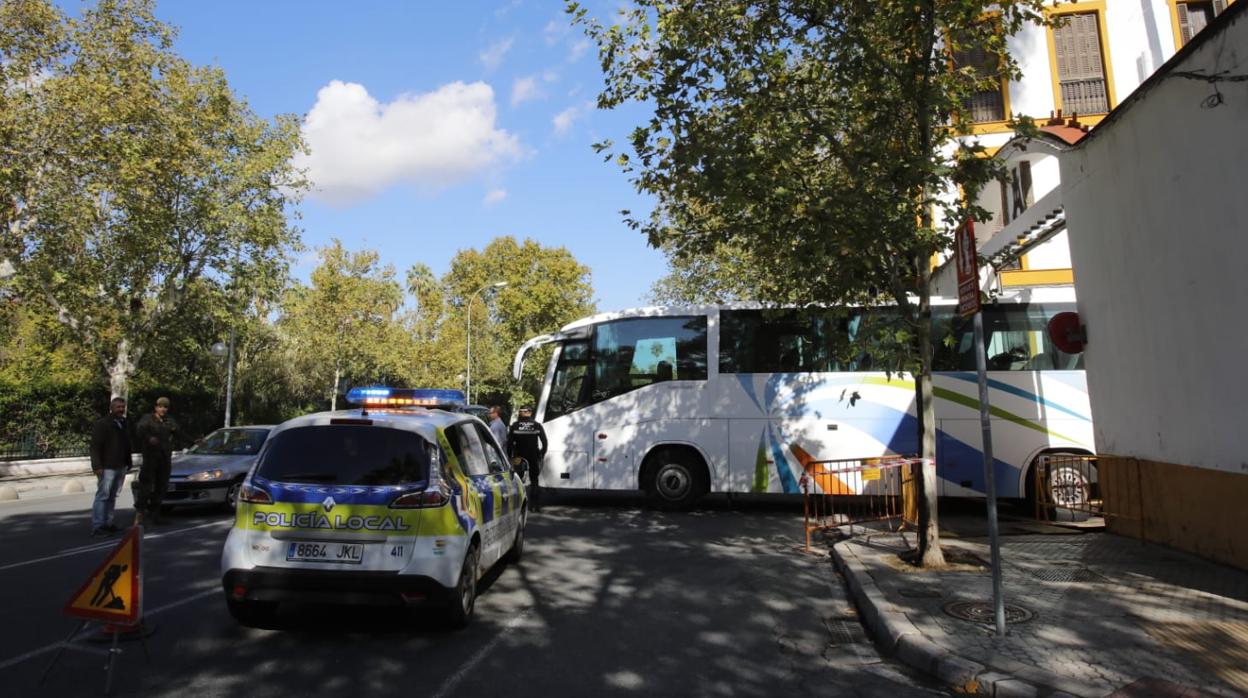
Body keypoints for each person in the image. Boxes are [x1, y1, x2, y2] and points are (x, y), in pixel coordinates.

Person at [89, 397, 133, 537]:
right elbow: (95, 447)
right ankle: (98, 526)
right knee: (103, 495)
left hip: (120, 465)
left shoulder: (123, 423)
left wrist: (128, 462)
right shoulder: (102, 424)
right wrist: (97, 466)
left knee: (113, 496)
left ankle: (108, 523)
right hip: (107, 467)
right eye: (118, 407)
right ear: (111, 408)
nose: (120, 409)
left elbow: (126, 445)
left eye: (122, 407)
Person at [134, 397, 179, 526]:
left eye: (165, 407)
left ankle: (155, 514)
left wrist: (194, 441)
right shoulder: (147, 419)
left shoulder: (169, 420)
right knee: (146, 486)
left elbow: (179, 432)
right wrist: (149, 438)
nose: (163, 409)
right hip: (151, 458)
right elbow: (139, 430)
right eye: (160, 406)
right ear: (155, 407)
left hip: (164, 458)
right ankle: (140, 515)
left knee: (162, 486)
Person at [507, 405, 547, 512]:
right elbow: (545, 441)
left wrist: (509, 456)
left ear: (521, 413)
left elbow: (509, 443)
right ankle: (535, 505)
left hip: (518, 456)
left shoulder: (515, 426)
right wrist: (541, 453)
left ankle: (518, 505)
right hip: (533, 455)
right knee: (534, 480)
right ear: (530, 413)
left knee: (517, 480)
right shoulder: (537, 425)